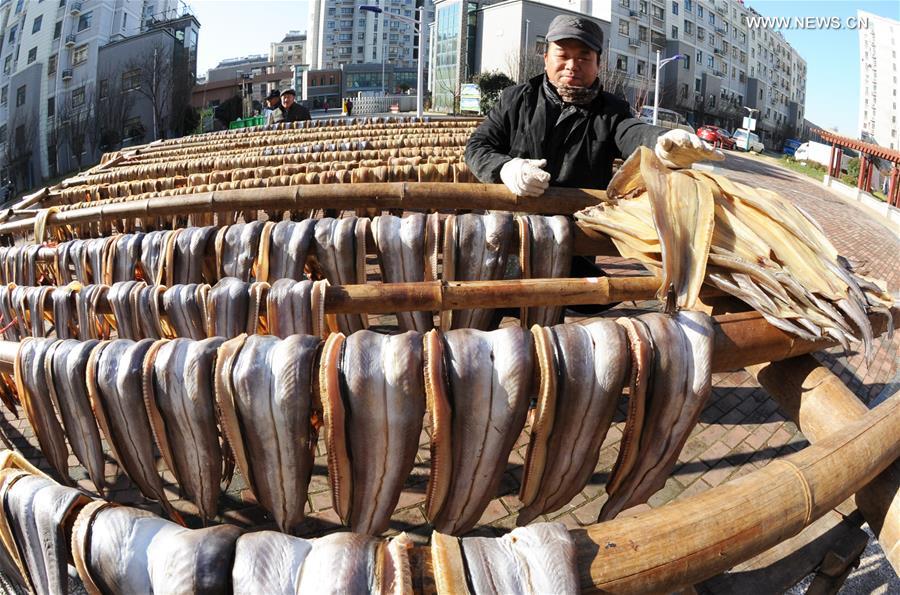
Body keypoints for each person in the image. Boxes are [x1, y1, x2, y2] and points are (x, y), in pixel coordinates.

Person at [465, 15, 722, 197]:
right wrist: (505, 168)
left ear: (599, 64)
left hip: (579, 237)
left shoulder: (611, 111)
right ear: (545, 59)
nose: (572, 65)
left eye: (584, 57)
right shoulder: (516, 99)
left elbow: (633, 132)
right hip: (512, 224)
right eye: (563, 55)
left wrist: (663, 142)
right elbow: (478, 146)